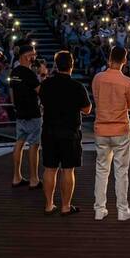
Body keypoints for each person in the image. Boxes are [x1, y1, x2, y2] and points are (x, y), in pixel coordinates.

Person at [38, 50, 92, 216]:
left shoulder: (46, 84)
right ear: (72, 65)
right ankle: (66, 206)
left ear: (56, 65)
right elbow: (87, 109)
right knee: (68, 170)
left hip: (49, 131)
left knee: (49, 169)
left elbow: (42, 102)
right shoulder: (77, 86)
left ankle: (49, 205)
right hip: (69, 132)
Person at [92, 46, 130, 221]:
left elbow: (96, 98)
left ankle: (99, 208)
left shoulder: (98, 78)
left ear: (109, 58)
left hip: (101, 129)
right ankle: (122, 209)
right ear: (124, 61)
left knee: (101, 169)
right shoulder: (127, 82)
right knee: (121, 171)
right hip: (120, 129)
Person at [9, 41, 41, 189]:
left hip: (20, 112)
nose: (34, 57)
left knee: (19, 143)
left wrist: (15, 107)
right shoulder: (29, 74)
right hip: (32, 113)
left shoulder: (14, 72)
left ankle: (16, 176)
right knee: (34, 145)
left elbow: (12, 93)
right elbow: (41, 91)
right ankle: (34, 179)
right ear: (26, 56)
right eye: (32, 55)